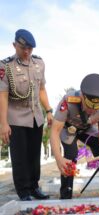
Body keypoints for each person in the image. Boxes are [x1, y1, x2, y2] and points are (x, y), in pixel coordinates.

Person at [0, 29, 53, 201]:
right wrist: (3, 124)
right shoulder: (5, 66)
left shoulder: (39, 63)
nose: (27, 52)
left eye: (30, 48)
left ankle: (34, 187)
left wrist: (49, 110)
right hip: (15, 117)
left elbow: (42, 90)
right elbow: (2, 95)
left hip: (36, 116)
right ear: (14, 45)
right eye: (23, 48)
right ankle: (23, 191)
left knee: (34, 155)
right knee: (20, 157)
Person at [50, 73, 99, 199]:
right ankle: (66, 193)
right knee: (71, 155)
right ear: (82, 96)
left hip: (86, 128)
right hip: (68, 129)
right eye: (89, 107)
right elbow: (55, 131)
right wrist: (58, 158)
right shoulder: (68, 100)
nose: (92, 111)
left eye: (95, 108)